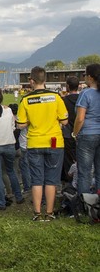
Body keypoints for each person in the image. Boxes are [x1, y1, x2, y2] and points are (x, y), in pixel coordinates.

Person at [17, 66, 68, 221]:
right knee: (52, 179)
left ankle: (37, 213)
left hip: (34, 142)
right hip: (54, 142)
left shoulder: (26, 100)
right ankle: (50, 212)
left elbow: (20, 125)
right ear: (45, 80)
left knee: (37, 179)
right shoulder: (56, 97)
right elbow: (65, 120)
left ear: (31, 81)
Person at [0, 90, 25, 210]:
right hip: (9, 145)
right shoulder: (8, 111)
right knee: (11, 171)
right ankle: (18, 196)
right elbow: (13, 126)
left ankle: (1, 203)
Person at [73, 63, 100, 195]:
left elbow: (80, 118)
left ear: (90, 77)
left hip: (87, 134)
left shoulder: (86, 93)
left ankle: (84, 204)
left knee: (84, 172)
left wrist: (75, 133)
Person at [62, 76, 80, 182]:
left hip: (68, 133)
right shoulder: (82, 98)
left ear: (67, 86)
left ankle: (70, 182)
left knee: (68, 160)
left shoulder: (64, 100)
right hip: (81, 132)